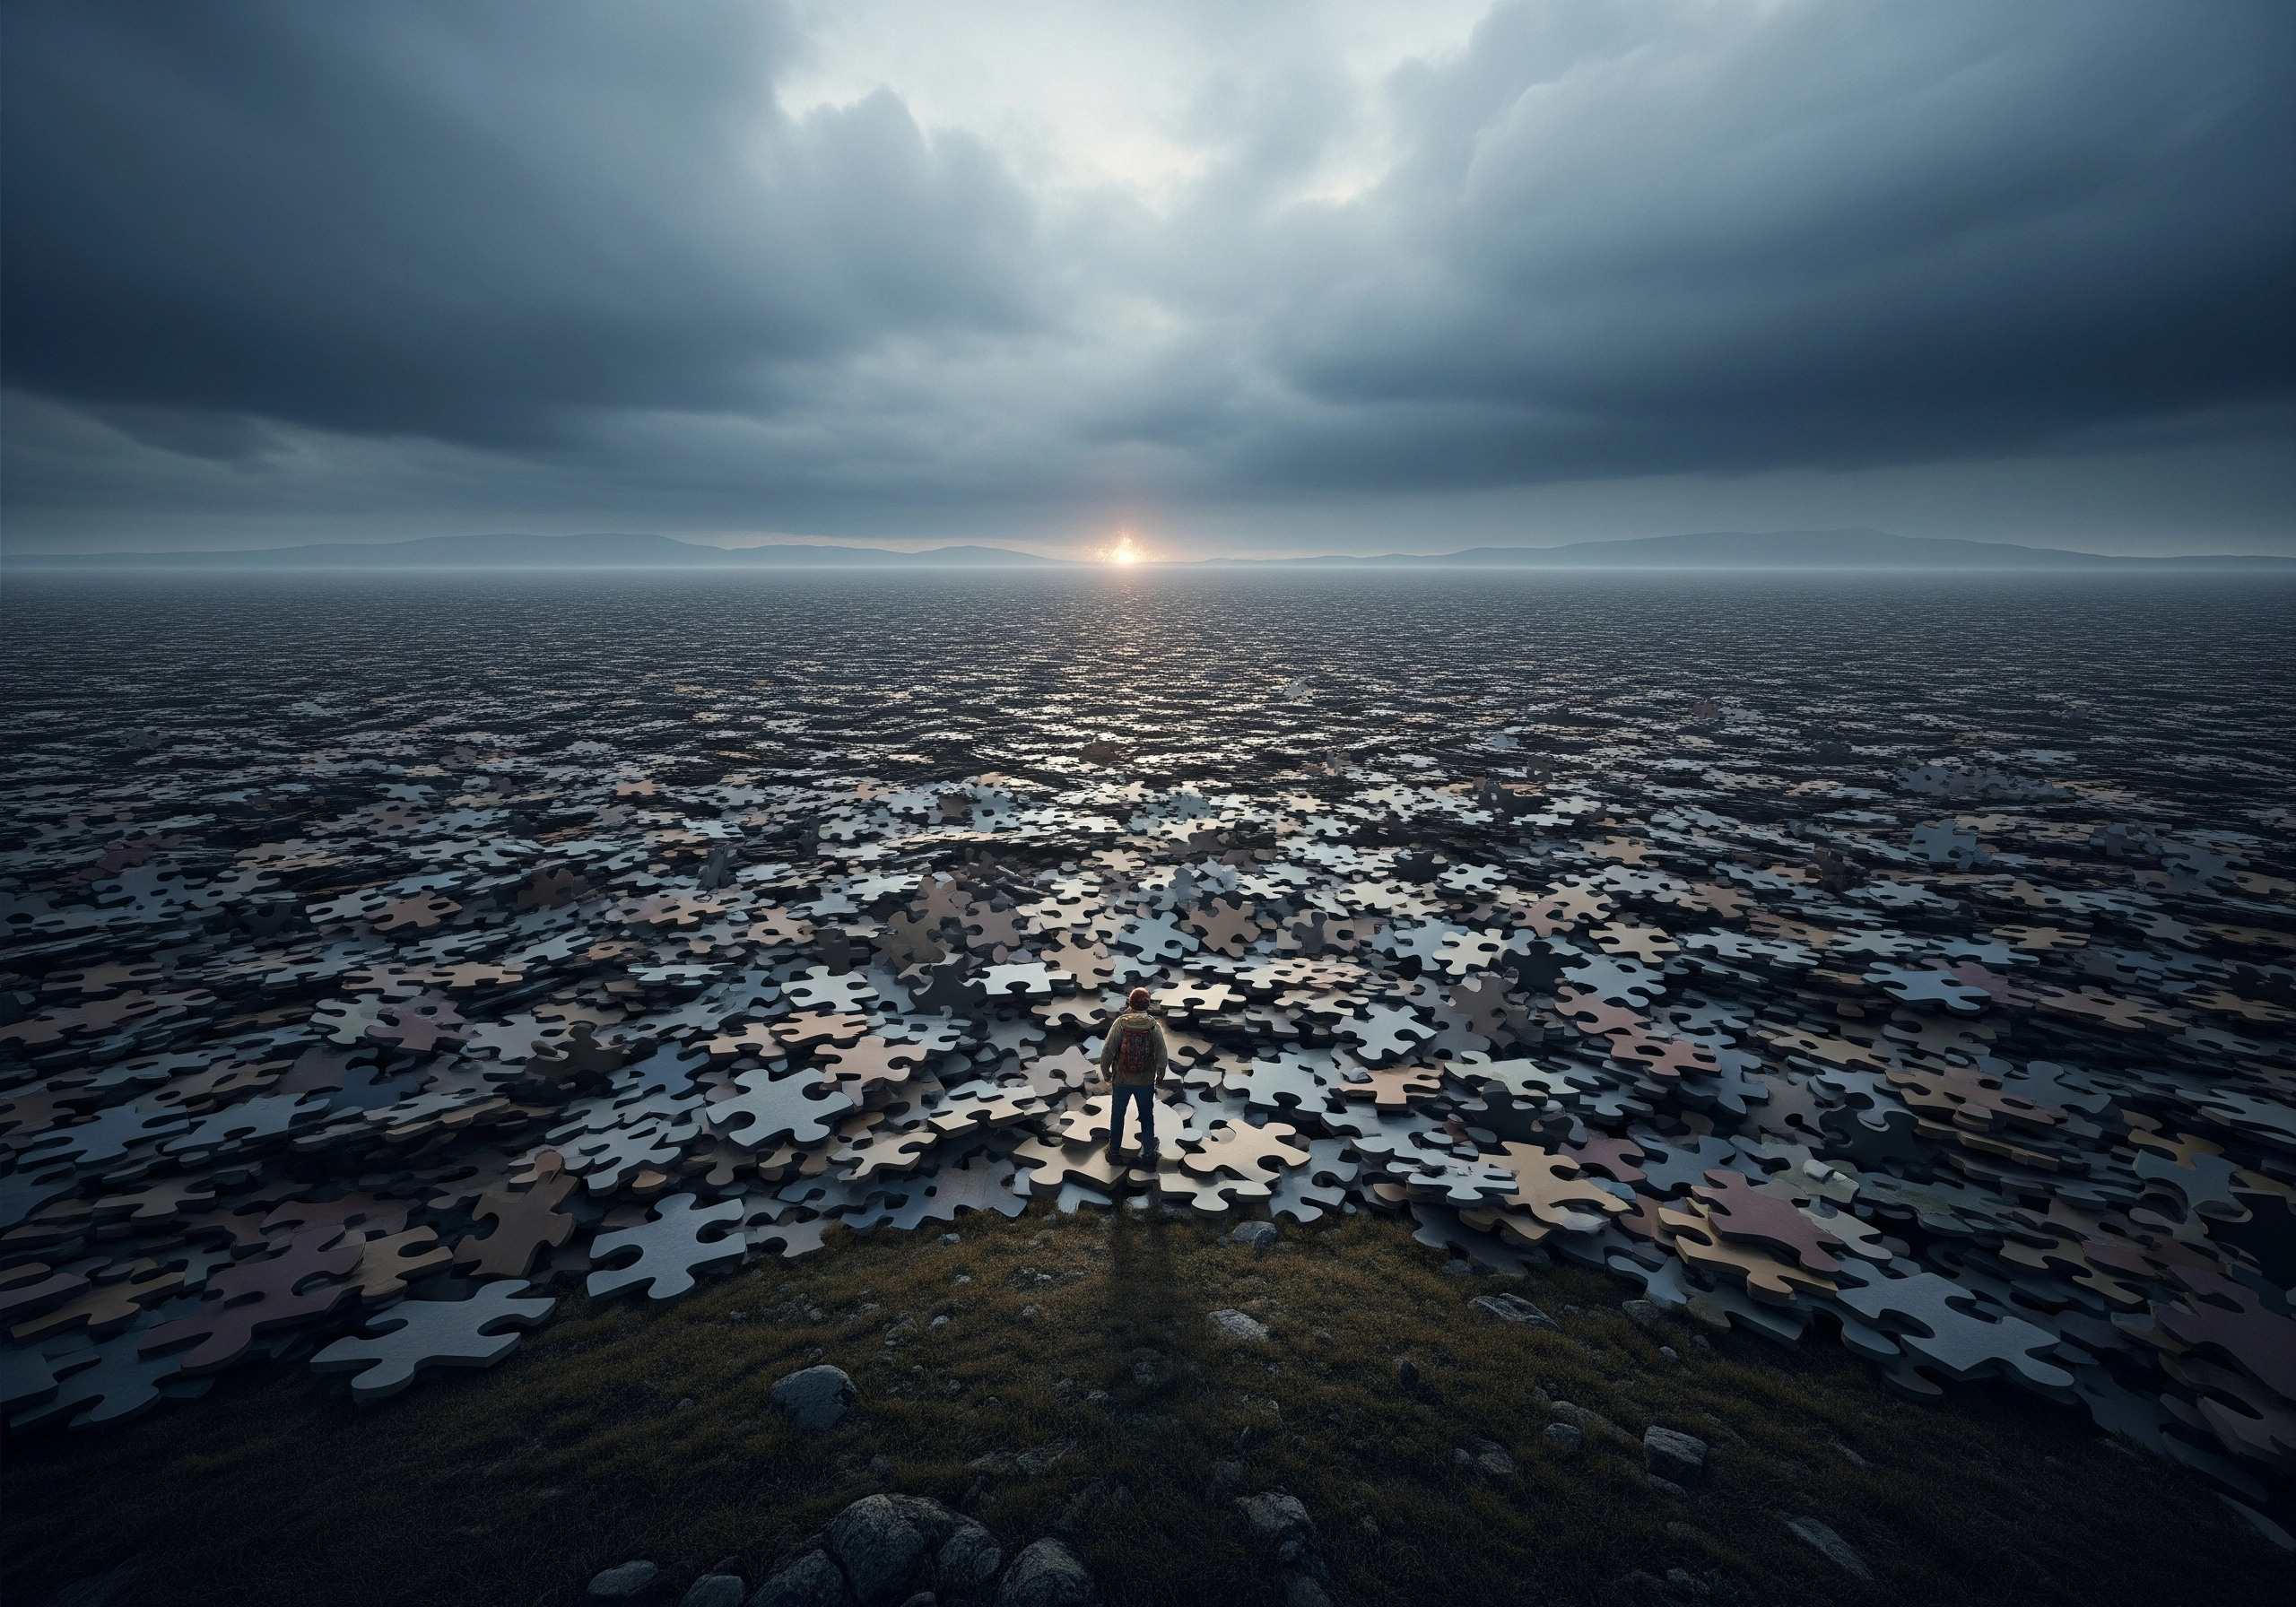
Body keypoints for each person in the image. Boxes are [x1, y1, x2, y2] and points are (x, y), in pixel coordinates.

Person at [1098, 986, 1169, 1157]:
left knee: (1117, 1115)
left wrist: (1106, 1073)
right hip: (1145, 1080)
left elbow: (1108, 1050)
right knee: (1146, 1116)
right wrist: (1160, 1074)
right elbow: (1162, 1052)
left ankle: (1114, 1151)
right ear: (1148, 1004)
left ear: (1130, 1003)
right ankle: (1149, 1152)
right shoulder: (1153, 1025)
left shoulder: (1120, 1023)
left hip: (1121, 1078)